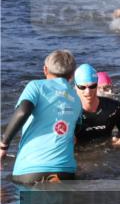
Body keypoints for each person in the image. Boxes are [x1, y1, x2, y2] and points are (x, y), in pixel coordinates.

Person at [0, 50, 82, 184]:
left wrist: (3, 145)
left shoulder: (36, 86)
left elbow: (22, 112)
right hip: (65, 172)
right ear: (72, 75)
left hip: (30, 171)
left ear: (45, 69)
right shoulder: (76, 99)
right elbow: (74, 134)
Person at [73, 64, 120, 146]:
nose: (88, 92)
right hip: (81, 156)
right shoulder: (68, 113)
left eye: (92, 86)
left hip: (106, 153)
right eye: (82, 87)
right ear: (75, 86)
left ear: (97, 85)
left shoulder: (114, 108)